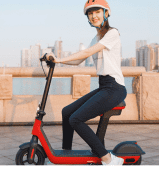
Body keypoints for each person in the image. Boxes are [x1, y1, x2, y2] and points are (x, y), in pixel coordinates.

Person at [45, 0, 127, 165]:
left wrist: (60, 57)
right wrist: (57, 61)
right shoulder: (96, 38)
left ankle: (108, 159)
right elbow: (79, 60)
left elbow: (89, 51)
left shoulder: (112, 33)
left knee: (75, 119)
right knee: (67, 112)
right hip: (104, 86)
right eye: (90, 13)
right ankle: (66, 155)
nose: (93, 16)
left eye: (97, 12)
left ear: (106, 13)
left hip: (115, 88)